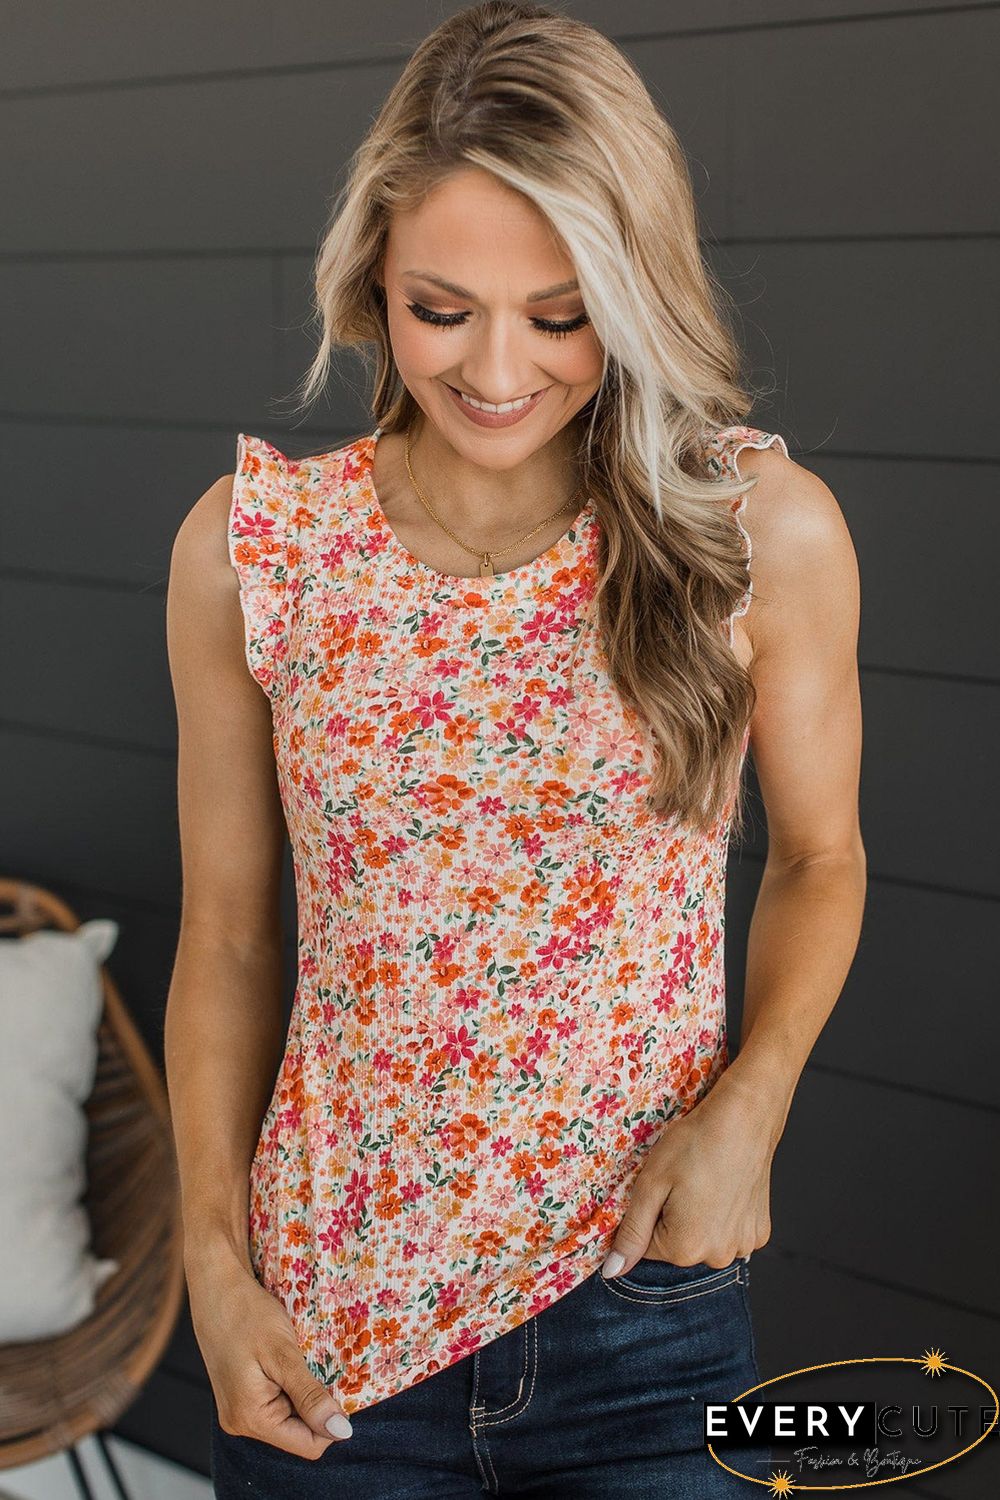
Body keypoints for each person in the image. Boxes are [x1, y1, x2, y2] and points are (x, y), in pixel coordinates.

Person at [164, 3, 866, 1495]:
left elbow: (822, 856)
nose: (495, 369)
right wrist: (212, 1271)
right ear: (371, 285)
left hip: (649, 1318)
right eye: (442, 307)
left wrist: (755, 1102)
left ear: (635, 291)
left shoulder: (758, 532)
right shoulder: (256, 549)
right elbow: (226, 937)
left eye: (559, 314)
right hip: (325, 1331)